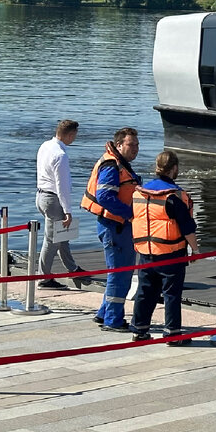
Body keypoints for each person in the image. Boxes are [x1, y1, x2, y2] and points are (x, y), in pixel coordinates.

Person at [130, 150, 198, 344]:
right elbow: (187, 228)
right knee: (171, 294)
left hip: (146, 251)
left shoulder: (140, 192)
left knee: (145, 291)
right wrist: (196, 249)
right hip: (171, 253)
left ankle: (139, 330)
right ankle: (172, 334)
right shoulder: (175, 196)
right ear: (174, 168)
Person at [81, 128, 141, 332]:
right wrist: (129, 214)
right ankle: (113, 320)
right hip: (115, 227)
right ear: (118, 145)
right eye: (131, 144)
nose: (135, 149)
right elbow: (104, 197)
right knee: (120, 274)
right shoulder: (111, 166)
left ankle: (104, 313)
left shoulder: (119, 164)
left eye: (137, 144)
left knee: (119, 273)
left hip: (117, 226)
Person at [35, 119, 84, 289]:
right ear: (70, 135)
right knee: (52, 240)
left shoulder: (45, 145)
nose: (75, 139)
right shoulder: (61, 155)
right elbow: (61, 186)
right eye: (74, 136)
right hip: (53, 199)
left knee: (62, 234)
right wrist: (68, 211)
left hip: (41, 196)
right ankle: (44, 278)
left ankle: (72, 268)